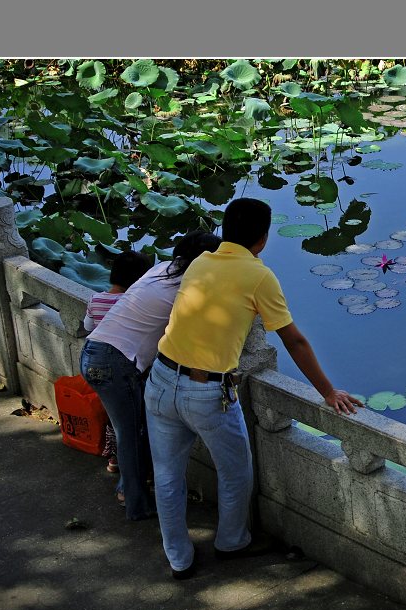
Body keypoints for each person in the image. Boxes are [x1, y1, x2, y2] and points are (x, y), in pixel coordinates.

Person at [145, 197, 363, 580]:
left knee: (166, 475)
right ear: (262, 239)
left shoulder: (199, 261)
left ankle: (178, 558)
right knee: (236, 471)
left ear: (225, 230)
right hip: (205, 392)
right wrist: (328, 392)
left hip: (160, 379)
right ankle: (231, 542)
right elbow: (293, 341)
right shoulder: (258, 275)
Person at [80, 232, 221, 521]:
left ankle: (128, 488)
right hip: (117, 362)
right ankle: (136, 504)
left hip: (93, 351)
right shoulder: (187, 288)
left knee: (131, 430)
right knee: (131, 434)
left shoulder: (160, 270)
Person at [83, 250, 153, 479]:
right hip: (127, 365)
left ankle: (113, 459)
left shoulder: (95, 299)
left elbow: (88, 327)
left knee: (116, 419)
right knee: (134, 424)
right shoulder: (133, 303)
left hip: (94, 362)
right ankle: (133, 476)